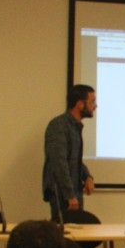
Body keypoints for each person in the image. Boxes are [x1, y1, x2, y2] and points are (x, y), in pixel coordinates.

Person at [42, 84, 95, 220]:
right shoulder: (59, 126)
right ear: (79, 104)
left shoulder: (75, 127)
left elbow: (74, 160)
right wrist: (70, 195)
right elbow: (59, 163)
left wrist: (87, 176)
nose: (95, 106)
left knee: (78, 236)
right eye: (92, 102)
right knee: (63, 238)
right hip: (62, 194)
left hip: (74, 192)